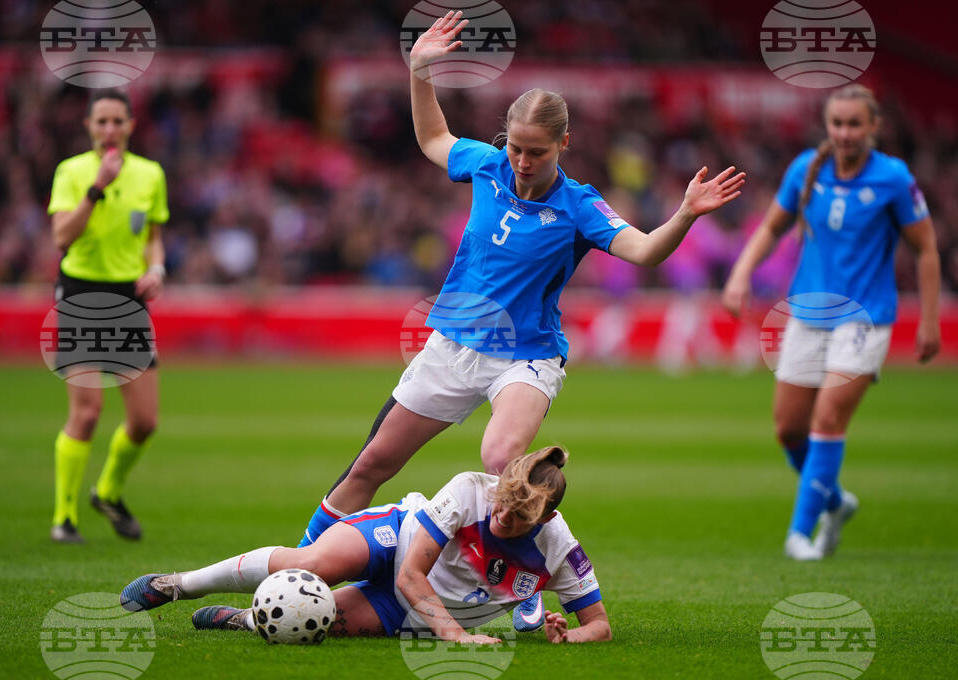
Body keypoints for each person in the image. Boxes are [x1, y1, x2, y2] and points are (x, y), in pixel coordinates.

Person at [296, 10, 744, 630]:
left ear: (564, 144)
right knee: (373, 464)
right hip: (454, 345)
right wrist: (420, 70)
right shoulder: (485, 165)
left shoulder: (580, 206)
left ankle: (518, 576)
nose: (524, 161)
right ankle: (297, 570)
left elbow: (643, 251)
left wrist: (686, 213)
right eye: (516, 148)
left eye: (537, 151)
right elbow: (432, 138)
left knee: (502, 453)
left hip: (527, 355)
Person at [722, 84, 940, 560]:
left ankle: (800, 535)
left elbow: (925, 247)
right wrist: (740, 274)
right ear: (828, 126)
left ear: (874, 126)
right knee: (789, 430)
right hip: (807, 312)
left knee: (828, 418)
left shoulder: (893, 178)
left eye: (854, 124)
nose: (845, 133)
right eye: (837, 123)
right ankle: (836, 503)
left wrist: (929, 319)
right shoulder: (805, 168)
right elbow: (773, 227)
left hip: (866, 318)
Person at [120, 446, 611, 644]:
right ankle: (179, 584)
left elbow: (600, 626)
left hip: (408, 610)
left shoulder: (558, 549)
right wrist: (456, 636)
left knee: (313, 623)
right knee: (312, 563)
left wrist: (568, 637)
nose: (502, 515)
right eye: (502, 502)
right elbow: (411, 574)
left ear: (546, 518)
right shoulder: (470, 489)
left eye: (519, 516)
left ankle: (244, 619)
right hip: (397, 540)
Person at [47, 89, 169, 543]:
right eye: (101, 121)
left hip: (128, 297)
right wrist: (97, 187)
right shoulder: (72, 171)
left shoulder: (150, 174)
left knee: (145, 421)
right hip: (81, 293)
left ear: (131, 125)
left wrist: (156, 268)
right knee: (87, 413)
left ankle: (108, 492)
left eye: (118, 121)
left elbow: (152, 235)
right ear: (88, 126)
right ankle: (64, 518)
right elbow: (62, 236)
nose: (110, 129)